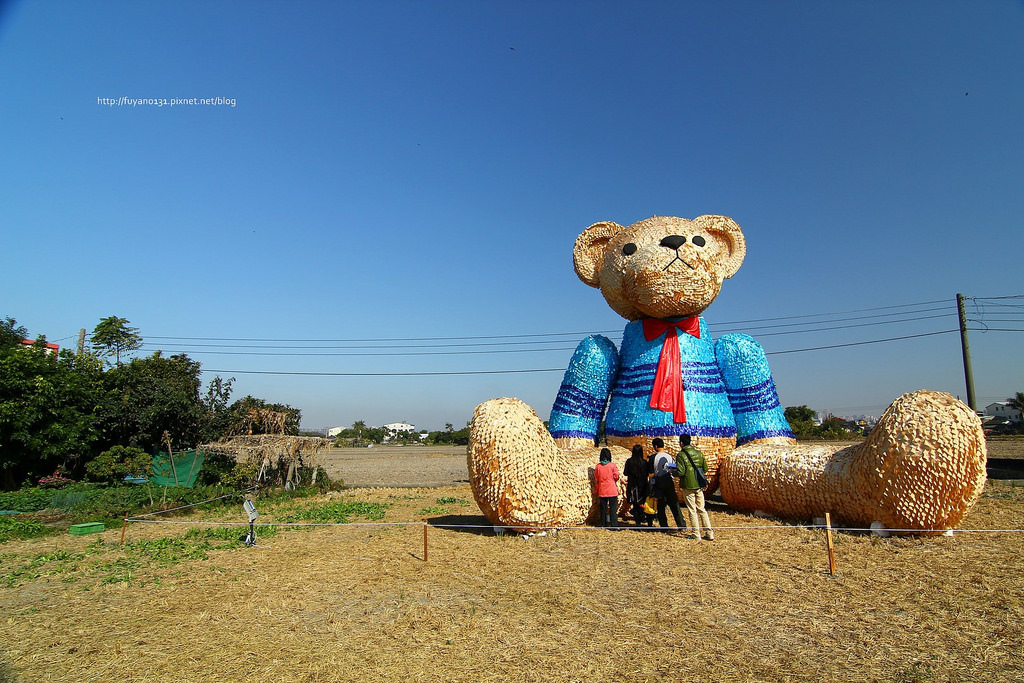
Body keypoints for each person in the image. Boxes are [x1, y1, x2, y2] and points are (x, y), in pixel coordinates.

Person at [676, 435, 715, 541]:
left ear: (681, 443)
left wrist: (672, 471)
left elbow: (681, 472)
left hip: (688, 485)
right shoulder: (698, 453)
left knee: (692, 510)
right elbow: (705, 468)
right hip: (699, 485)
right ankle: (709, 533)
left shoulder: (681, 455)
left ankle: (696, 534)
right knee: (702, 509)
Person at [650, 437, 685, 531]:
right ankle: (681, 525)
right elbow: (674, 469)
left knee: (661, 505)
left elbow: (651, 472)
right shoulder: (670, 456)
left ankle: (664, 526)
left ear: (656, 446)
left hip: (658, 482)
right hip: (669, 481)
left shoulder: (653, 457)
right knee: (674, 504)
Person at [624, 444, 652, 527]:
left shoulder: (629, 462)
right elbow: (648, 473)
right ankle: (643, 518)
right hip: (643, 485)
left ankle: (637, 522)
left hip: (633, 486)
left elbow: (626, 473)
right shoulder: (644, 463)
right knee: (643, 503)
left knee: (635, 504)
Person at [593, 447, 620, 528]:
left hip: (602, 490)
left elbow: (596, 478)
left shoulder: (598, 467)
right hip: (612, 489)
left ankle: (603, 524)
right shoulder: (612, 465)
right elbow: (616, 476)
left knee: (603, 509)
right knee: (613, 508)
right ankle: (614, 525)